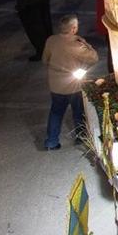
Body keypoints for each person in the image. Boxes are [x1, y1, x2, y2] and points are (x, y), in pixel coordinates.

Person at [42, 14, 98, 150]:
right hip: (74, 86)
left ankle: (51, 141)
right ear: (73, 29)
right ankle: (81, 137)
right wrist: (85, 43)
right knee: (78, 112)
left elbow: (45, 59)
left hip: (56, 86)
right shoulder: (77, 44)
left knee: (56, 112)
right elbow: (94, 58)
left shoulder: (51, 40)